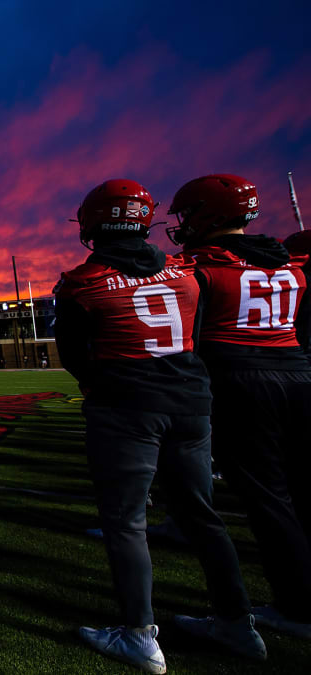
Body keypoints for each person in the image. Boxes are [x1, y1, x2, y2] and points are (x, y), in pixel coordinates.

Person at [55, 179, 263, 672]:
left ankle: (139, 635)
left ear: (91, 223)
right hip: (192, 403)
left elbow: (75, 359)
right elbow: (197, 332)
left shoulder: (82, 284)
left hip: (127, 408)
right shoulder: (187, 272)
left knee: (126, 521)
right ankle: (238, 622)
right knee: (202, 516)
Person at [169, 174, 311, 640]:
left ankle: (297, 604)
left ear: (207, 214)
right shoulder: (290, 264)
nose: (183, 223)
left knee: (267, 499)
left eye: (188, 214)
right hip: (299, 374)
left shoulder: (200, 268)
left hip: (241, 381)